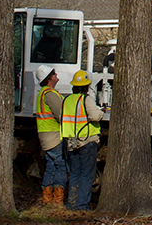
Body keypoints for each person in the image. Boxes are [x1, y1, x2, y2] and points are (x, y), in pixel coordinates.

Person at [61, 70, 103, 211]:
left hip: (71, 142)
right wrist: (101, 112)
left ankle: (71, 204)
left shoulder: (67, 100)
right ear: (86, 87)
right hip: (87, 141)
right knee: (87, 174)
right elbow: (95, 116)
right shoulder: (86, 99)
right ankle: (82, 206)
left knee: (75, 173)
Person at [34, 65, 67, 207]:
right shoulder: (50, 94)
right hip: (54, 136)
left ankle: (47, 198)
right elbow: (60, 115)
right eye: (54, 73)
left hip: (46, 135)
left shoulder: (43, 93)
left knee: (51, 166)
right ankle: (57, 199)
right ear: (49, 78)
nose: (56, 74)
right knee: (61, 165)